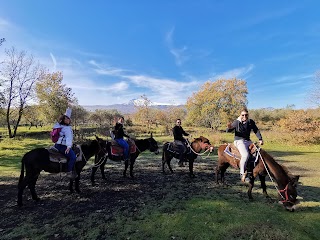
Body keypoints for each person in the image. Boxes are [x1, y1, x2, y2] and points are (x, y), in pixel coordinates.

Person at [226, 107, 264, 183]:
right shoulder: (237, 122)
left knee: (257, 152)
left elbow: (256, 130)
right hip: (239, 141)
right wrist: (229, 127)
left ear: (248, 115)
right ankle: (242, 173)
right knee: (245, 155)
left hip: (248, 140)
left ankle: (251, 170)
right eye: (242, 115)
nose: (244, 117)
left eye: (246, 115)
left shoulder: (250, 122)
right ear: (240, 115)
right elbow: (228, 130)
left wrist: (260, 139)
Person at [53, 107, 77, 179]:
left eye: (68, 118)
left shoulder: (59, 125)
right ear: (63, 120)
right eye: (66, 119)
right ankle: (68, 172)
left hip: (57, 145)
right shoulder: (66, 128)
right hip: (63, 146)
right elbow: (68, 137)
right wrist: (69, 146)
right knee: (73, 157)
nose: (67, 120)